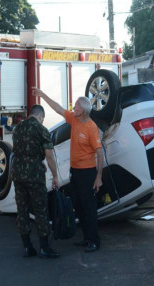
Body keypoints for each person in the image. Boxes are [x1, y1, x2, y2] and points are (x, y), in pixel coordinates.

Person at [32, 88, 103, 253]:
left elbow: (100, 153)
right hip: (76, 172)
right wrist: (43, 95)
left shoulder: (91, 128)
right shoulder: (74, 119)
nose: (74, 109)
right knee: (77, 205)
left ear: (84, 111)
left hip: (88, 173)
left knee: (89, 207)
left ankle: (94, 240)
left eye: (77, 108)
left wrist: (99, 177)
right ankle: (86, 237)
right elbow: (58, 108)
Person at [12, 104, 60, 258]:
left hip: (18, 174)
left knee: (22, 210)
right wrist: (55, 176)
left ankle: (27, 247)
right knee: (40, 211)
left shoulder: (18, 129)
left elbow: (20, 152)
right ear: (40, 116)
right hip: (34, 176)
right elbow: (49, 155)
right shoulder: (41, 129)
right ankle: (44, 248)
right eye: (42, 119)